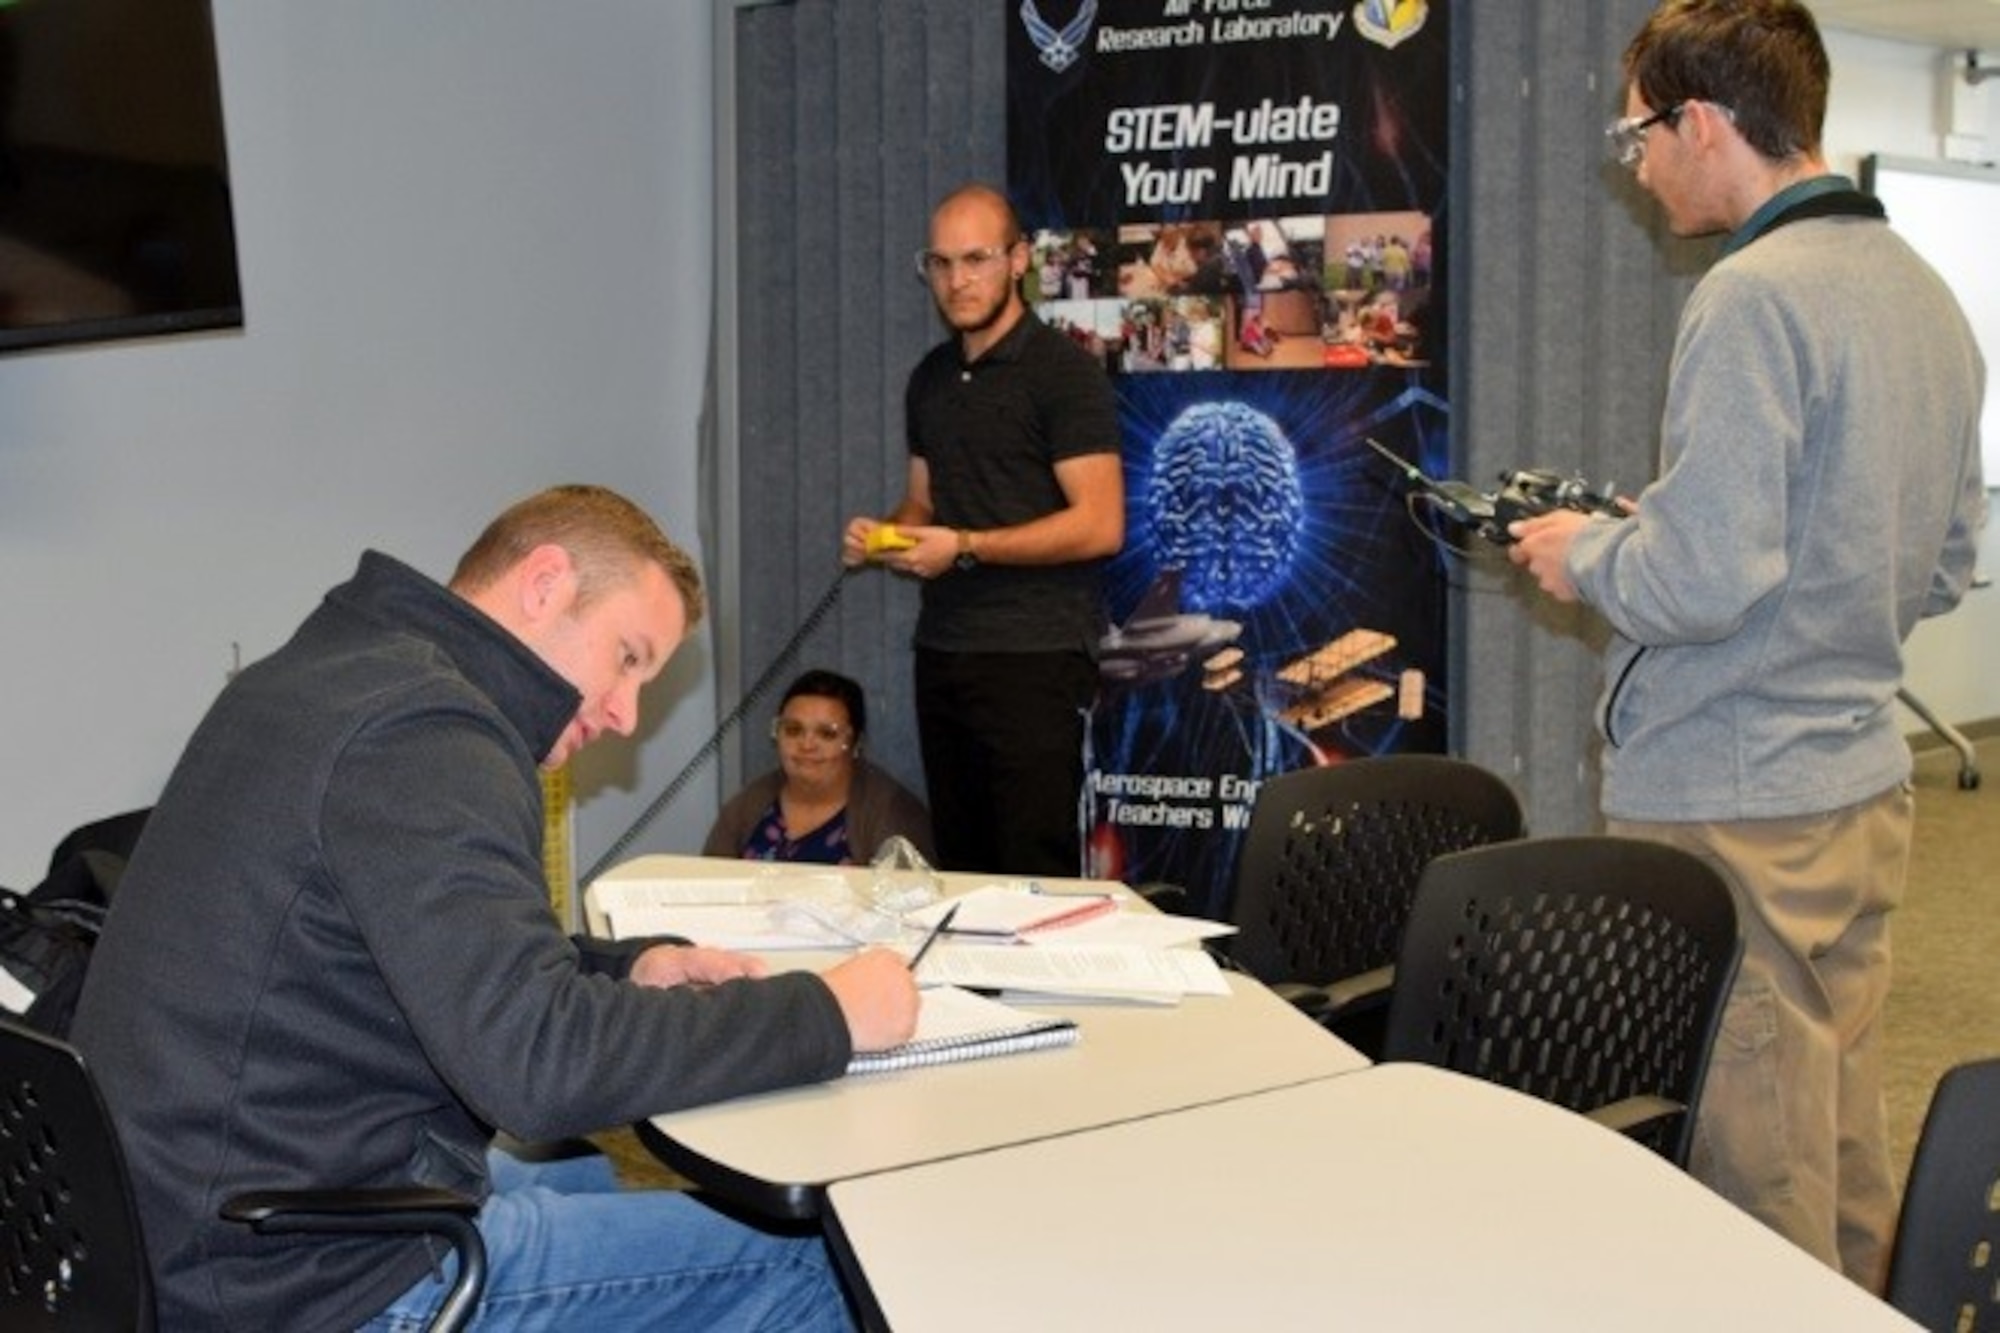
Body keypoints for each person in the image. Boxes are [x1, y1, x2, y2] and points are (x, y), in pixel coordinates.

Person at [71, 485, 921, 1330]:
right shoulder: (429, 732)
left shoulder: (327, 675)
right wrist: (828, 1014)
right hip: (304, 1276)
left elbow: (427, 949)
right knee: (820, 1261)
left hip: (210, 1217)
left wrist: (630, 966)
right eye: (627, 658)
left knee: (620, 1181)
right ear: (545, 582)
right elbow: (538, 1069)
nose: (626, 715)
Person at [1507, 0, 1986, 1294]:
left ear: (1700, 122)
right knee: (1837, 1130)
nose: (1639, 165)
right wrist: (1667, 533)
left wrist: (1586, 553)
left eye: (1637, 135)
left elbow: (1706, 578)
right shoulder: (1928, 295)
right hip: (1856, 785)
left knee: (1749, 1166)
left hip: (1734, 804)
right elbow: (1942, 561)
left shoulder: (1752, 297)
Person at [842, 183, 1123, 876]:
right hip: (944, 650)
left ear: (1019, 259)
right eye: (939, 263)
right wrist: (883, 536)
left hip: (1035, 655)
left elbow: (1100, 524)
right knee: (962, 865)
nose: (957, 281)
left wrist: (964, 547)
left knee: (1030, 871)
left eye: (976, 259)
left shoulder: (1065, 374)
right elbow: (922, 506)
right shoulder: (931, 378)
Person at [703, 668, 935, 865]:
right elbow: (706, 889)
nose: (806, 745)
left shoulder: (894, 814)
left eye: (827, 734)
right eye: (793, 730)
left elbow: (910, 907)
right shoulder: (747, 805)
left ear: (856, 743)